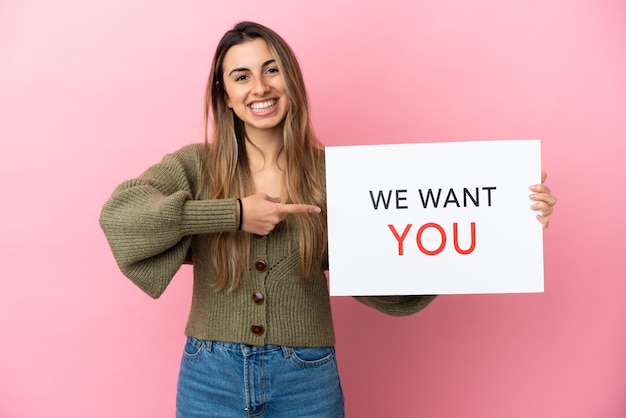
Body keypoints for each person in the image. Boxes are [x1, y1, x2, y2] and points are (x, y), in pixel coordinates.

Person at [99, 21, 557, 418]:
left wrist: (500, 226)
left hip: (306, 376)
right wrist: (234, 213)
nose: (260, 87)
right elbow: (122, 218)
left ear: (291, 79)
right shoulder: (196, 165)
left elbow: (388, 273)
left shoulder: (335, 175)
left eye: (271, 69)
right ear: (225, 94)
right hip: (209, 372)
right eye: (242, 76)